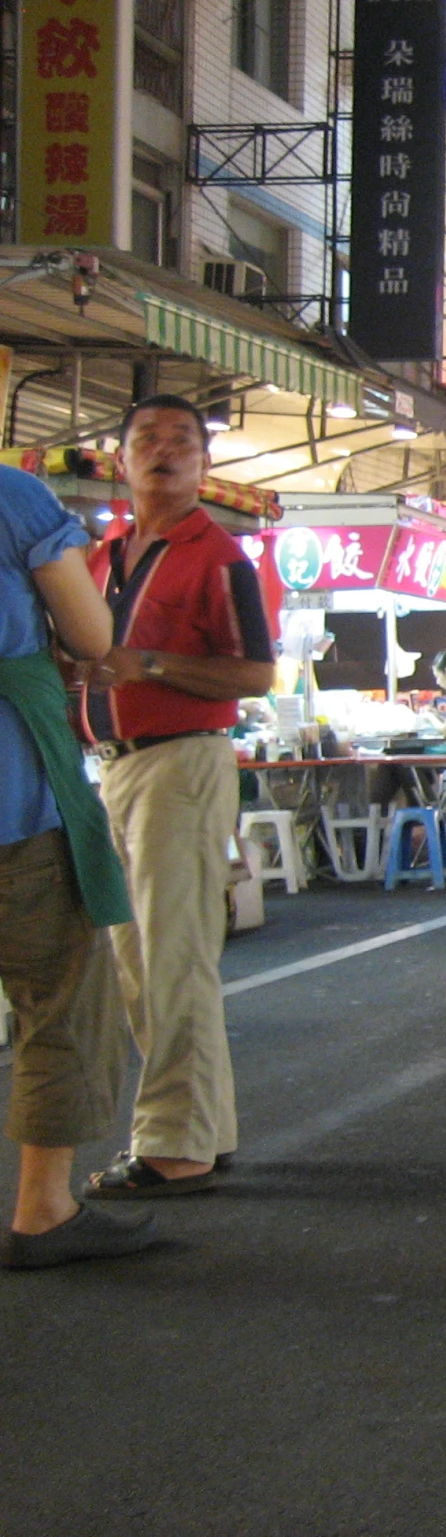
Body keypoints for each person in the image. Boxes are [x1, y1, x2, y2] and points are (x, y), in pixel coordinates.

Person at [79, 395, 275, 1199]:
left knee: (172, 954)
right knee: (139, 958)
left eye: (182, 441)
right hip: (114, 767)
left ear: (203, 463)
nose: (164, 451)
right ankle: (200, 1129)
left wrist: (150, 666)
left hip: (181, 761)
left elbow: (257, 673)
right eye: (146, 439)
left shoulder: (218, 554)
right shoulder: (104, 554)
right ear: (119, 457)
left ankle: (172, 1144)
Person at [0, 464, 150, 1267]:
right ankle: (45, 1208)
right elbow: (93, 637)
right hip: (11, 803)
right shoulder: (11, 496)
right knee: (56, 996)